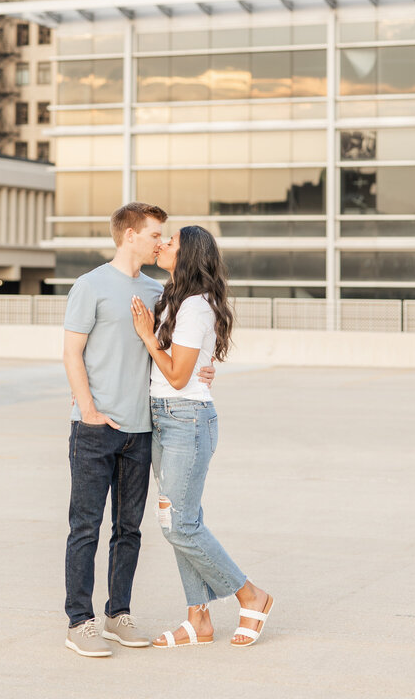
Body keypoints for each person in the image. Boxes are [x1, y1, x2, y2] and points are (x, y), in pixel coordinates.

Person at [62, 202, 215, 657]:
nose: (161, 243)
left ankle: (117, 615)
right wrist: (88, 409)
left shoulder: (157, 292)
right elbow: (72, 354)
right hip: (94, 428)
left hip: (142, 431)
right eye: (155, 235)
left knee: (129, 530)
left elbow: (181, 351)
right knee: (85, 528)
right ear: (129, 235)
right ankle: (79, 621)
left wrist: (207, 370)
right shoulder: (89, 286)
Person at [131, 224, 273, 649]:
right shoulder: (177, 299)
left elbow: (176, 376)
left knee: (181, 524)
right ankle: (198, 619)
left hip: (185, 419)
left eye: (170, 241)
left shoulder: (194, 307)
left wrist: (146, 337)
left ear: (188, 253)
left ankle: (252, 595)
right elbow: (184, 367)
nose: (162, 244)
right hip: (166, 418)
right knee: (177, 520)